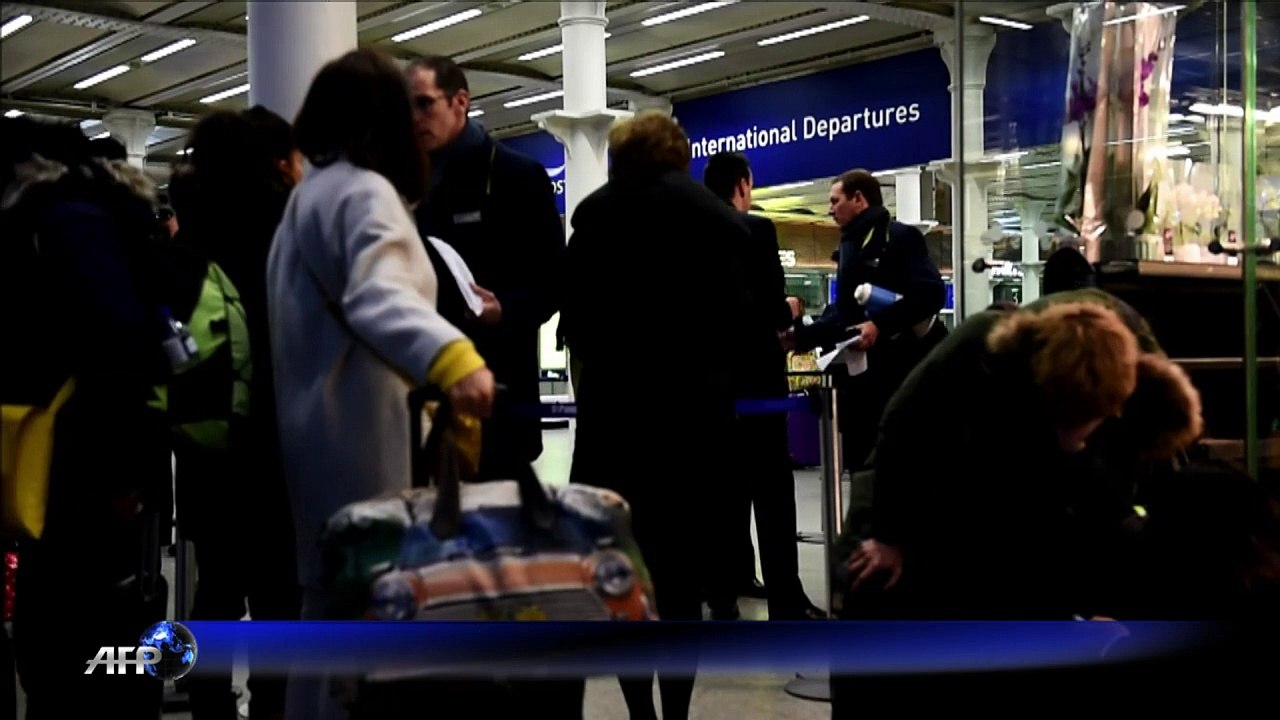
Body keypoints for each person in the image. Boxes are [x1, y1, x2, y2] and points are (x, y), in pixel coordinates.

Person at [267, 48, 495, 720]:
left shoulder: (308, 196)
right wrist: (458, 361)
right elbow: (378, 298)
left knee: (328, 609)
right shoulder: (364, 193)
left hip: (316, 438)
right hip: (362, 439)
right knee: (368, 610)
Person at [559, 111, 756, 720]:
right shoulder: (723, 223)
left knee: (622, 580)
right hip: (694, 430)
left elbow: (578, 328)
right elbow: (742, 332)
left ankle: (638, 709)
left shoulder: (592, 217)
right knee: (679, 584)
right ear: (679, 154)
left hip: (613, 427)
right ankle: (676, 712)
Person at [3, 116, 172, 719]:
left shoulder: (64, 217)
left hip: (82, 463)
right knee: (79, 617)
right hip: (89, 461)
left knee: (74, 624)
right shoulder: (84, 211)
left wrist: (123, 474)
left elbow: (117, 342)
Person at [165, 105, 303, 720]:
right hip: (273, 435)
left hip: (205, 437)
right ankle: (273, 705)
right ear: (276, 161)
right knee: (278, 596)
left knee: (215, 588)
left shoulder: (189, 227)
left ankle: (208, 703)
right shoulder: (279, 224)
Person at [406, 55, 564, 480]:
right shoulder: (404, 185)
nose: (415, 119)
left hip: (497, 398)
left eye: (425, 104)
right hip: (421, 400)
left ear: (460, 101)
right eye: (408, 108)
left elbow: (554, 282)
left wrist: (506, 309)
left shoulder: (516, 176)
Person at [701, 151, 821, 620]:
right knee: (772, 493)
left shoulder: (689, 233)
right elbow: (770, 310)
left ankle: (722, 590)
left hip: (710, 385)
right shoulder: (755, 230)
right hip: (756, 381)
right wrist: (790, 308)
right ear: (744, 184)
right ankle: (786, 597)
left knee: (721, 491)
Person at [790, 169, 947, 472]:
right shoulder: (850, 246)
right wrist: (801, 337)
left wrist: (881, 325)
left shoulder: (898, 237)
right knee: (866, 474)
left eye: (835, 201)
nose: (829, 209)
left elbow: (931, 294)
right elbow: (845, 315)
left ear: (859, 199)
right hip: (863, 386)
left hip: (899, 380)